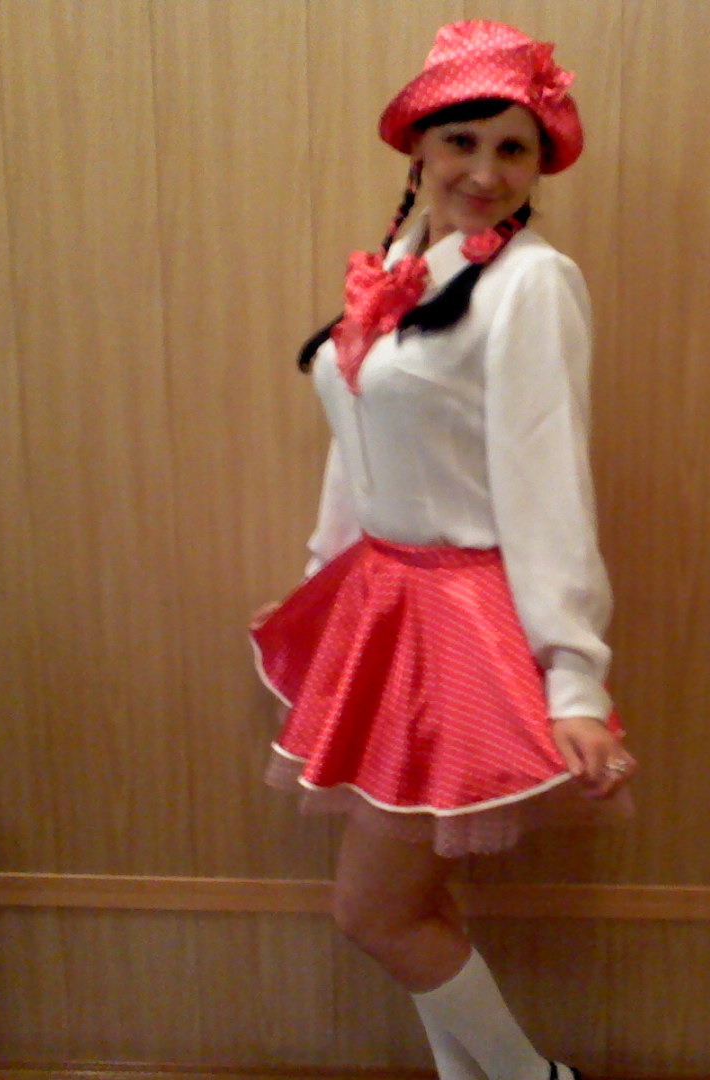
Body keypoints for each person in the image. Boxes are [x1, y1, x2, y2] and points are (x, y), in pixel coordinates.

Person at [250, 20, 636, 1080]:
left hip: (458, 622)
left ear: (540, 164)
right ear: (418, 148)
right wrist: (321, 591)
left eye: (514, 148)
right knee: (415, 904)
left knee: (370, 912)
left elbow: (549, 484)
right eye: (463, 141)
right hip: (379, 609)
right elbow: (359, 443)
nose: (485, 171)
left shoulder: (533, 283)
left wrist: (574, 678)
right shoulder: (402, 270)